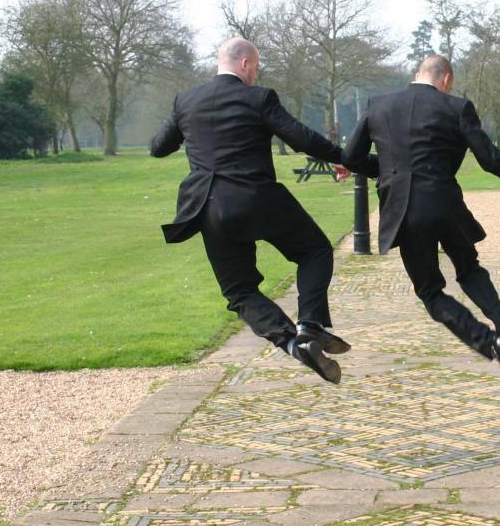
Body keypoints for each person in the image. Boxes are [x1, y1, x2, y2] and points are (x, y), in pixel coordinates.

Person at [150, 37, 351, 384]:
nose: (256, 74)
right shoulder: (258, 97)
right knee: (315, 249)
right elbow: (299, 136)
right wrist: (343, 157)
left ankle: (290, 343)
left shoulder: (186, 101)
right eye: (256, 67)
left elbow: (158, 147)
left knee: (240, 291)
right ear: (245, 64)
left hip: (208, 207)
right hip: (257, 198)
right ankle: (309, 326)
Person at [342, 55, 500, 385]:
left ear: (417, 74)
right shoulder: (456, 108)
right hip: (444, 203)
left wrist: (393, 169)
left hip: (403, 210)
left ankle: (492, 341)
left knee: (431, 292)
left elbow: (352, 158)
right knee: (470, 269)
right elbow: (491, 160)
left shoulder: (378, 105)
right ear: (446, 78)